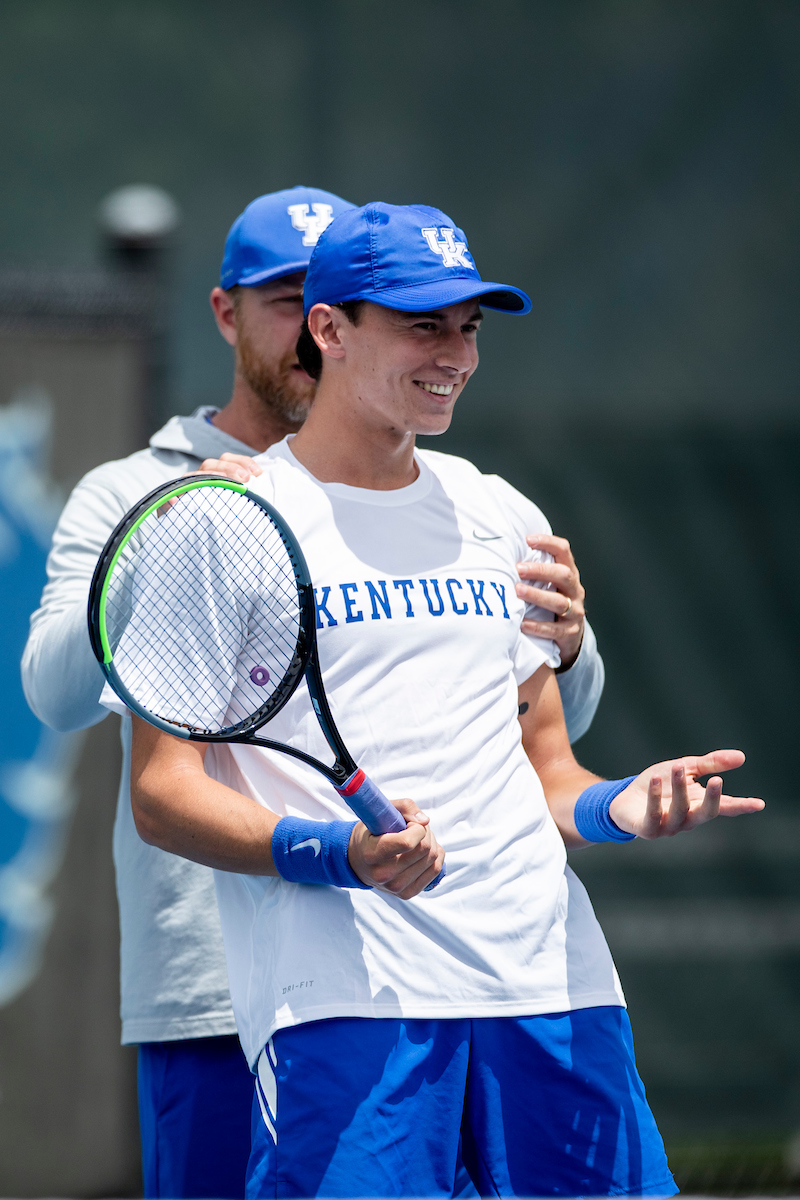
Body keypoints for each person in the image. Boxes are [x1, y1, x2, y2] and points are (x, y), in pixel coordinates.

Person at [121, 202, 764, 1199]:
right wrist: (334, 853)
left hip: (554, 987)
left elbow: (547, 777)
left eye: (468, 326)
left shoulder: (500, 513)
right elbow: (162, 792)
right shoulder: (222, 520)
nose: (454, 354)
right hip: (344, 1007)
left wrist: (619, 806)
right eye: (422, 324)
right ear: (327, 330)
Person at [21, 189, 603, 1199]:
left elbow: (545, 739)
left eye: (315, 298)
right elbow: (58, 695)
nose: (301, 327)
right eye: (280, 299)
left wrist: (573, 644)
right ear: (226, 315)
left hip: (420, 977)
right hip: (207, 980)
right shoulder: (135, 490)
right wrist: (174, 549)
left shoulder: (462, 500)